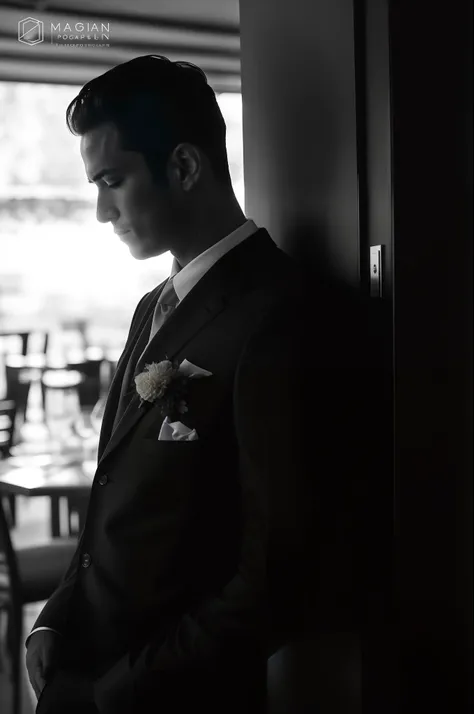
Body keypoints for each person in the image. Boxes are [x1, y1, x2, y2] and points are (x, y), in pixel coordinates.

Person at [25, 55, 315, 714]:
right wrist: (55, 616)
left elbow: (271, 577)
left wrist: (112, 696)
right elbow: (111, 491)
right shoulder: (151, 305)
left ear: (183, 167)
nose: (101, 211)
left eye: (113, 181)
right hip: (82, 659)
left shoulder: (277, 314)